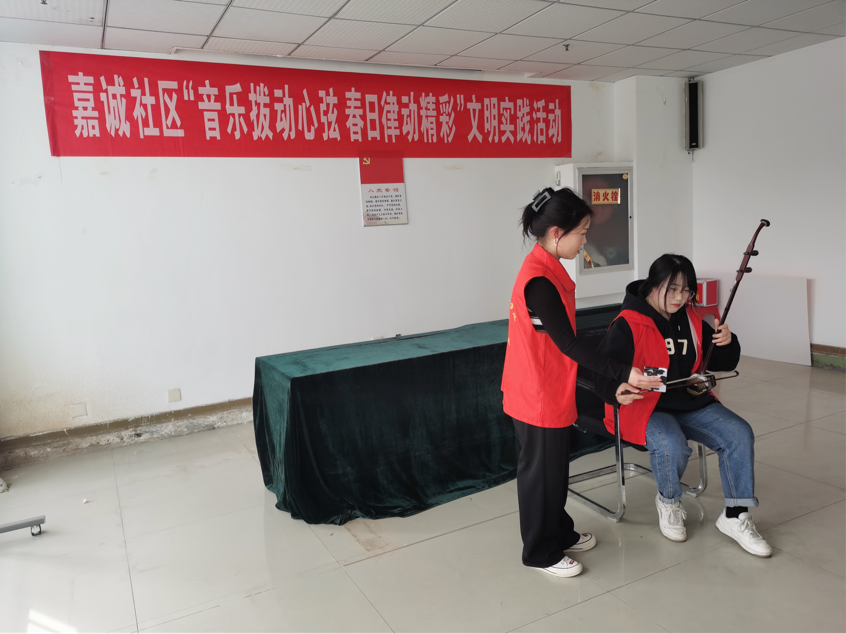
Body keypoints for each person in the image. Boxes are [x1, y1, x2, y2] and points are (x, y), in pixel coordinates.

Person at [501, 188, 663, 578]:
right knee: (541, 475)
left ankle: (558, 531)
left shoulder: (547, 267)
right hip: (536, 394)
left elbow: (564, 348)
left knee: (555, 470)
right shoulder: (539, 281)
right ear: (557, 233)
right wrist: (623, 373)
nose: (585, 240)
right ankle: (540, 551)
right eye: (583, 232)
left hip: (548, 386)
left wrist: (612, 380)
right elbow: (570, 345)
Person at [597, 253, 772, 557]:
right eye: (672, 289)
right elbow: (602, 371)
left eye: (686, 291)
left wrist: (727, 342)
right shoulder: (627, 323)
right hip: (646, 406)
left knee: (739, 433)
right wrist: (616, 390)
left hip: (690, 402)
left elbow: (720, 363)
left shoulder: (692, 320)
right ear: (653, 285)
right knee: (672, 444)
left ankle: (735, 516)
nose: (679, 298)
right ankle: (668, 502)